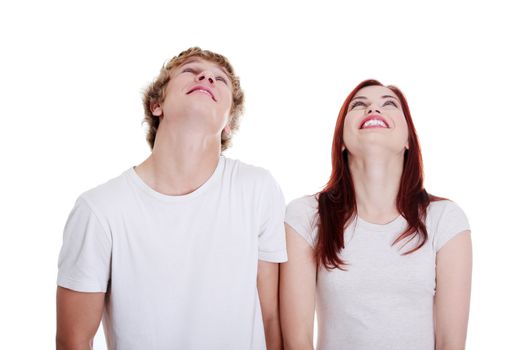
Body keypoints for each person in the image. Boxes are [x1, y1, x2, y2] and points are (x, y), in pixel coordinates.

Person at [56, 47, 287, 350]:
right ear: (156, 105)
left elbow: (271, 317)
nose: (206, 77)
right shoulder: (100, 210)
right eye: (191, 71)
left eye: (220, 80)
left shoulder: (258, 189)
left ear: (228, 122)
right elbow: (74, 340)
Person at [280, 80, 472, 350]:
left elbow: (450, 343)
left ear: (408, 140)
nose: (373, 109)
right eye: (359, 105)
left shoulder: (446, 219)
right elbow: (297, 339)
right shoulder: (306, 215)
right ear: (342, 141)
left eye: (389, 103)